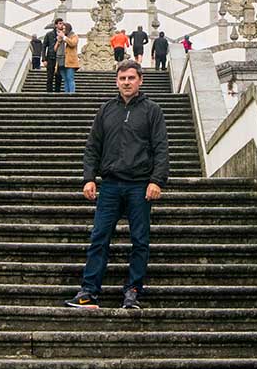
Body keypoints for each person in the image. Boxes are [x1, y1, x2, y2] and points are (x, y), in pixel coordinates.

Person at [65, 61, 169, 310]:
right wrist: (88, 177)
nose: (126, 82)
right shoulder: (106, 110)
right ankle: (89, 292)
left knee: (140, 241)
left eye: (131, 78)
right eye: (122, 78)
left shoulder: (152, 110)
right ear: (116, 81)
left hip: (139, 185)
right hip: (110, 184)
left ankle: (133, 291)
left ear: (140, 80)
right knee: (99, 238)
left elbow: (161, 149)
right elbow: (93, 146)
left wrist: (156, 180)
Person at [43, 19, 63, 93]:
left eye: (62, 23)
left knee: (59, 78)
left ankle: (57, 94)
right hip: (50, 58)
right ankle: (49, 95)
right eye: (60, 23)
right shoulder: (49, 34)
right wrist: (44, 59)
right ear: (56, 25)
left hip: (60, 59)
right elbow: (44, 46)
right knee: (49, 77)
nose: (62, 25)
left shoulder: (63, 34)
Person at [61, 23, 80, 93]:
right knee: (65, 79)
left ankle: (71, 94)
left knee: (70, 78)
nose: (63, 30)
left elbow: (72, 43)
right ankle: (66, 94)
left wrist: (64, 37)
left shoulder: (74, 36)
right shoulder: (62, 38)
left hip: (70, 61)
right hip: (62, 61)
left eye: (64, 29)